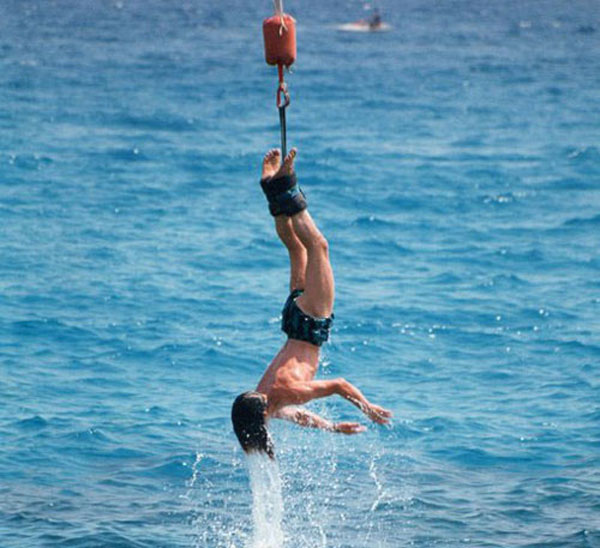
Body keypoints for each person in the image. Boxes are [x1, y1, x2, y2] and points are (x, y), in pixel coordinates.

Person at [231, 148, 392, 459]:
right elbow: (300, 416)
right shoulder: (265, 400)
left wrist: (367, 407)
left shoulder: (283, 393)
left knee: (318, 246)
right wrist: (331, 427)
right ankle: (272, 187)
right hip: (292, 321)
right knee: (297, 250)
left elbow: (339, 385)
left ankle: (287, 185)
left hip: (311, 323)